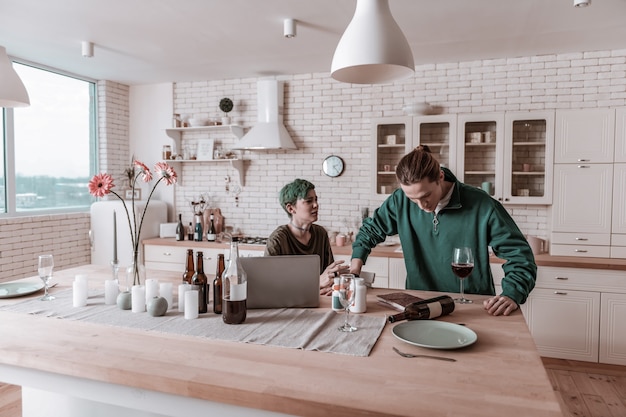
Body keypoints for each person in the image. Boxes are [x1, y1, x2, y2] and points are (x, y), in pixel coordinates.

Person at [350, 146, 536, 316]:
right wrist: (354, 270)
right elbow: (370, 232)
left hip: (472, 306)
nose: (421, 206)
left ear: (440, 177)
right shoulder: (399, 200)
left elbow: (520, 257)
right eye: (413, 200)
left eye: (426, 196)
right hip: (419, 304)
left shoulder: (482, 205)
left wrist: (512, 293)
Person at [265, 179, 349, 295]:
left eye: (316, 199)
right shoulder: (277, 240)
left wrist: (333, 284)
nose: (316, 205)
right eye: (309, 201)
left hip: (320, 301)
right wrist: (315, 284)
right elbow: (270, 286)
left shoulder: (321, 234)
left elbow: (328, 275)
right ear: (291, 208)